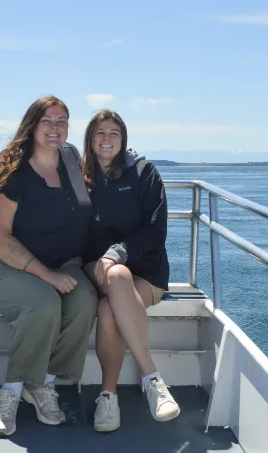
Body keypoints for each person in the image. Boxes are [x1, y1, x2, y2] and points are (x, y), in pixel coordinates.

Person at [0, 96, 98, 436]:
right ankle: (11, 390)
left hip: (63, 261)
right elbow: (0, 237)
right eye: (48, 121)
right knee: (43, 302)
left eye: (62, 121)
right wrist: (48, 276)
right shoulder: (11, 169)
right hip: (2, 262)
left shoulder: (71, 158)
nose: (55, 128)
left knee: (85, 301)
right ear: (32, 125)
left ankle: (43, 385)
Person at [80, 109, 180, 432]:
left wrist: (117, 254)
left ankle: (109, 396)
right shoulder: (80, 178)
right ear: (91, 139)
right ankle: (153, 380)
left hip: (147, 273)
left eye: (114, 133)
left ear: (123, 140)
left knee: (110, 310)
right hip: (97, 270)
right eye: (100, 133)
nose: (107, 139)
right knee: (115, 277)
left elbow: (155, 232)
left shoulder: (144, 174)